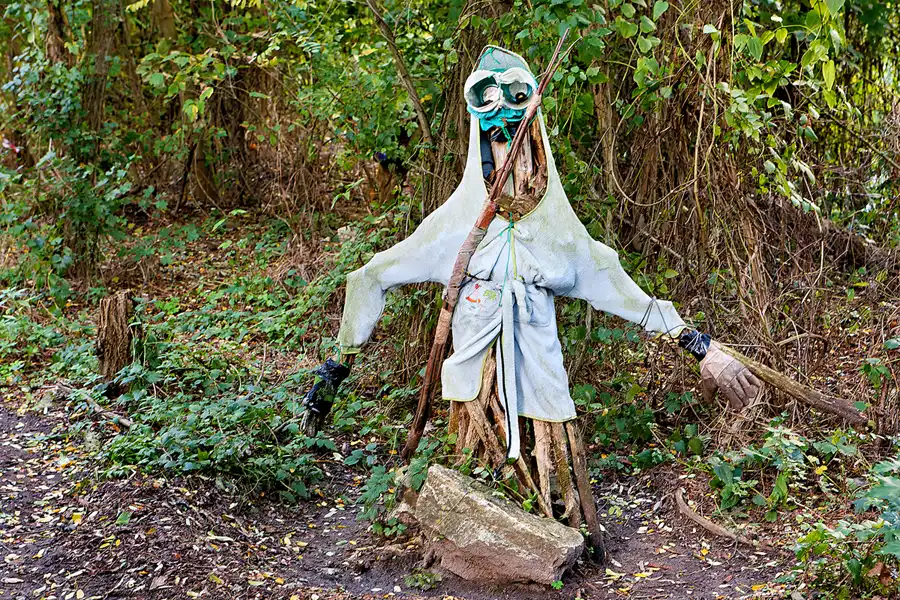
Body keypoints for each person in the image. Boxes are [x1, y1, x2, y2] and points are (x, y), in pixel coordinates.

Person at [302, 47, 762, 456]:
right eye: (493, 133)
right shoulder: (453, 225)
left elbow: (621, 290)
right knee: (475, 456)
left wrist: (702, 348)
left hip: (542, 387)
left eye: (514, 124)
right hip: (476, 393)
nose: (504, 145)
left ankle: (550, 504)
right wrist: (339, 363)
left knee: (553, 457)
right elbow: (370, 276)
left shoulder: (558, 231)